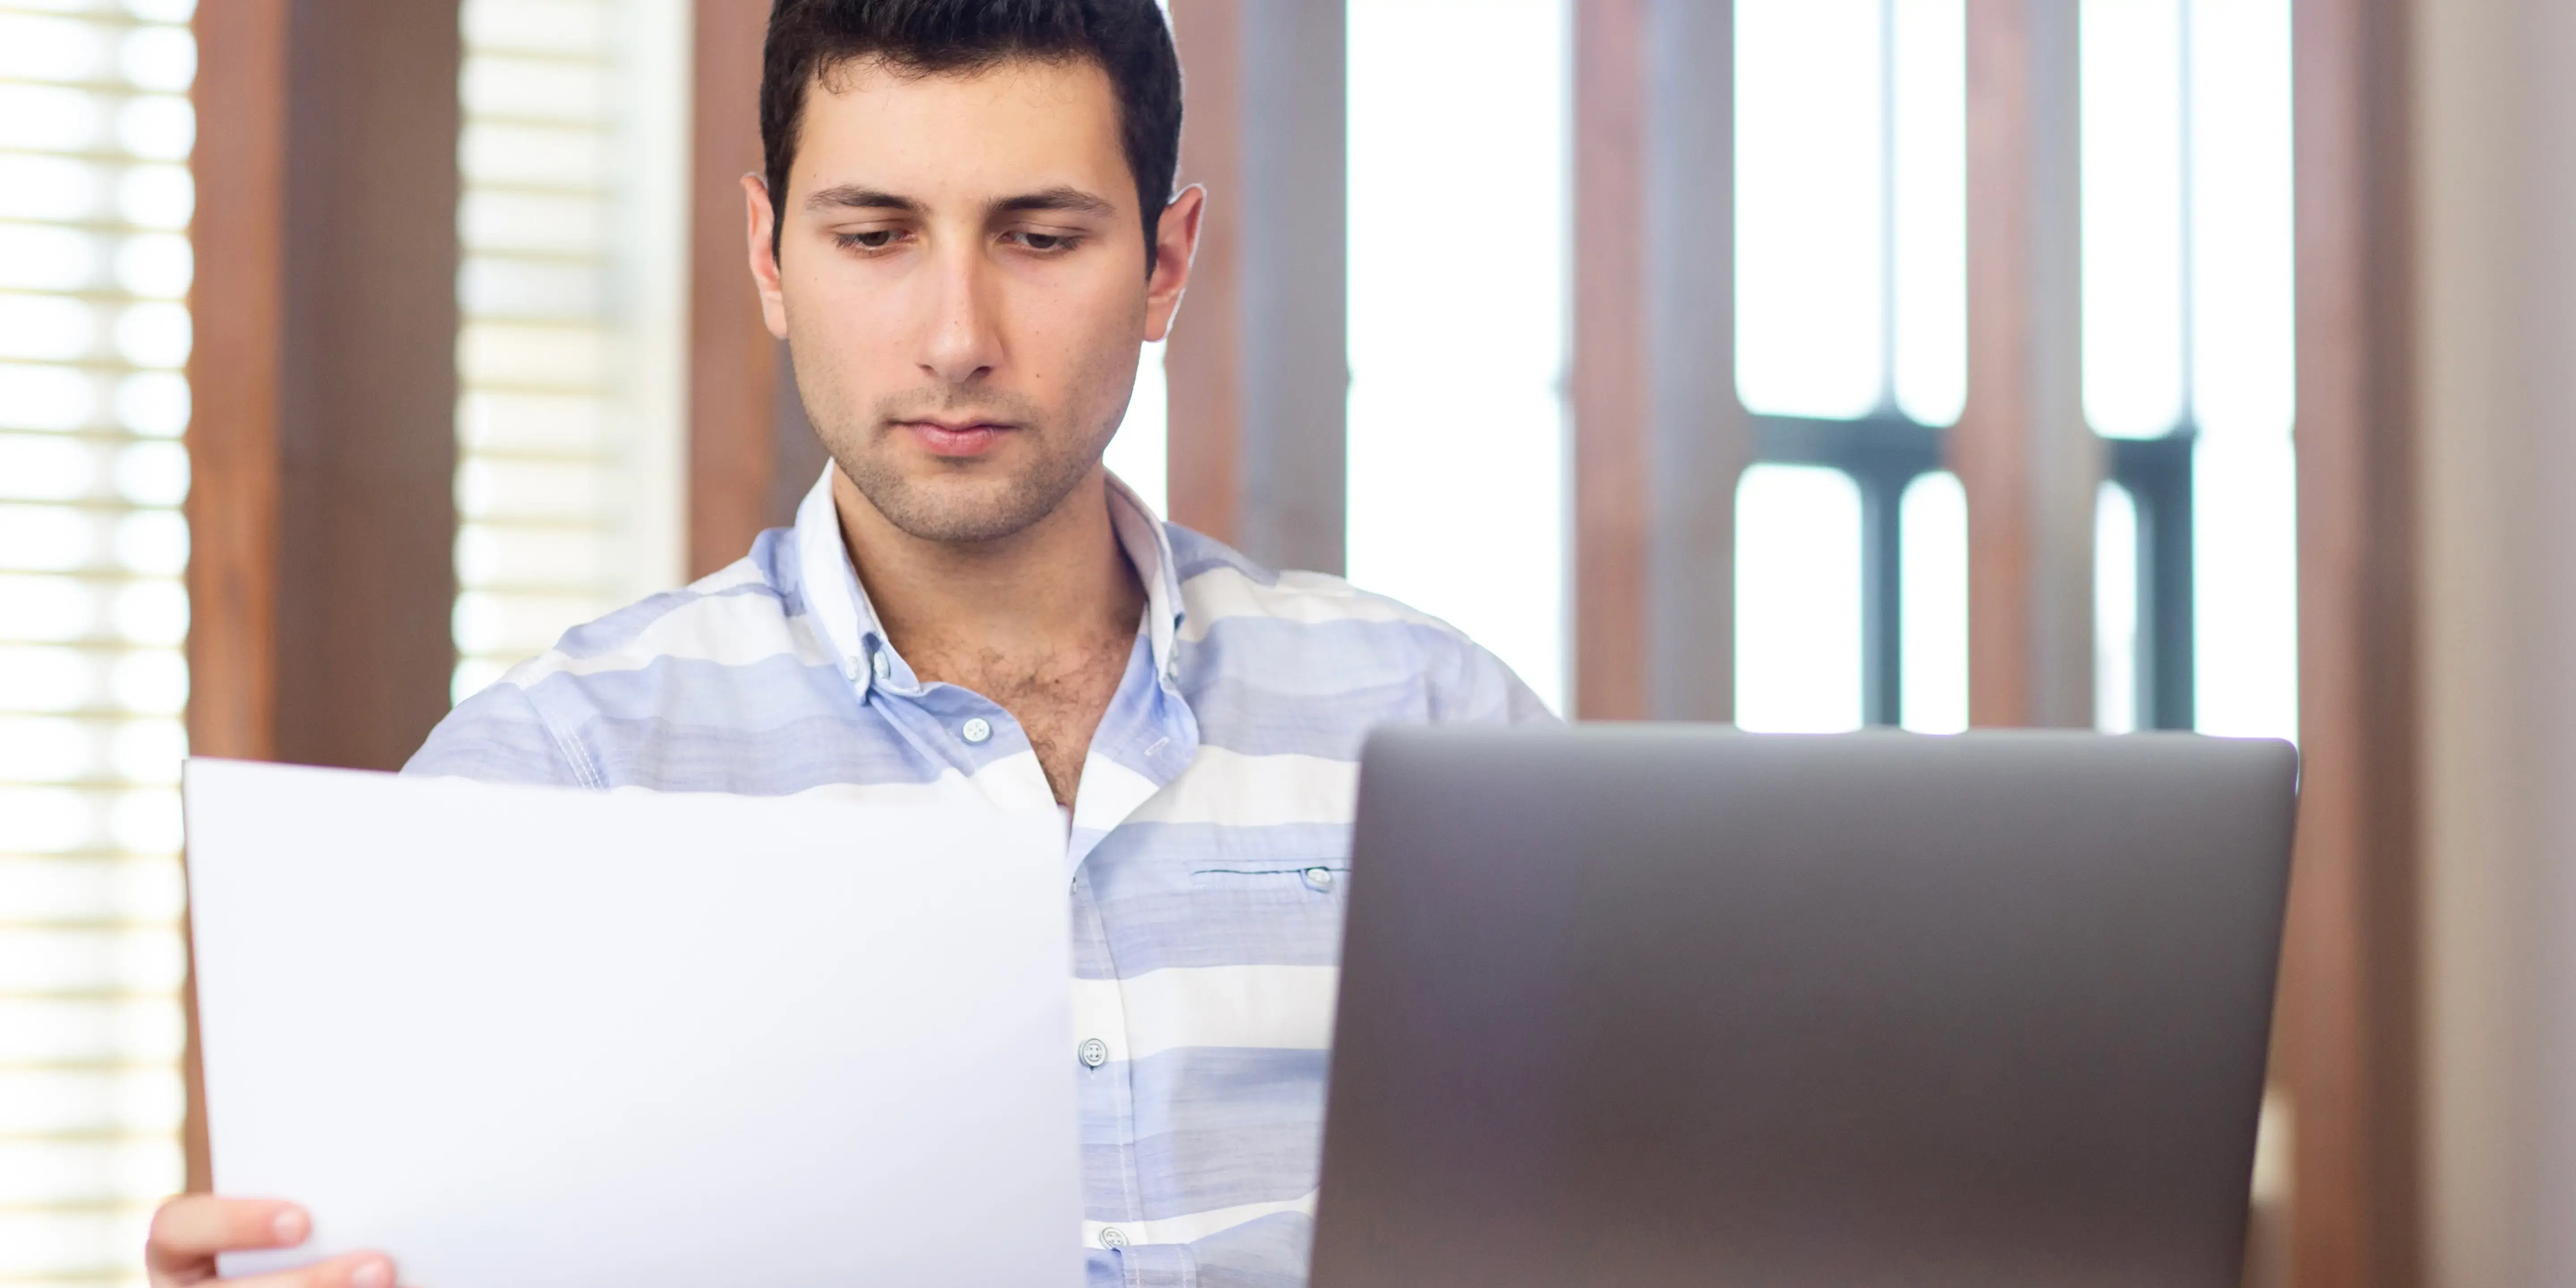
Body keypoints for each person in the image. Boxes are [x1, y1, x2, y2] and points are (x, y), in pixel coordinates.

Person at [147, 1, 1548, 1284]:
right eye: (874, 237)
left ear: (1165, 264)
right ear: (769, 256)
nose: (956, 338)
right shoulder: (555, 777)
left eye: (1041, 238)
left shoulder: (1438, 729)